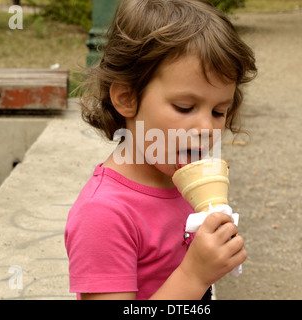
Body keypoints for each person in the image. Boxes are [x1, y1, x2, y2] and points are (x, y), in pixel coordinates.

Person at [65, 0, 257, 300]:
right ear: (127, 97)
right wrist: (194, 276)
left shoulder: (180, 178)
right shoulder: (104, 214)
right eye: (185, 107)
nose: (206, 127)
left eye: (219, 112)